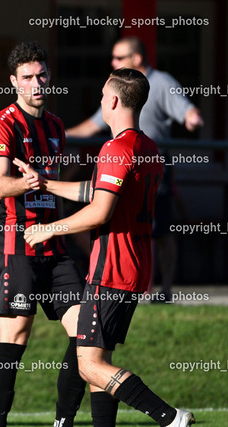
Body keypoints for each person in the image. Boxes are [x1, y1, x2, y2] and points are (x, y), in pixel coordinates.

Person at [21, 68, 194, 427]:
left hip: (113, 268)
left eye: (102, 96)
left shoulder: (115, 148)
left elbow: (100, 210)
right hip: (135, 266)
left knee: (88, 364)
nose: (100, 101)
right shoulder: (149, 148)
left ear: (113, 101)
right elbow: (99, 191)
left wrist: (49, 228)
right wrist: (47, 184)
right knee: (99, 362)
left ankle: (169, 417)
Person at [0, 41, 86, 427]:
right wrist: (30, 182)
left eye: (41, 75)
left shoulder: (56, 126)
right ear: (14, 82)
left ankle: (63, 421)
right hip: (13, 243)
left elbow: (53, 183)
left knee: (86, 332)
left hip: (52, 243)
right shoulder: (1, 124)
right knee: (16, 336)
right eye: (27, 77)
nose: (36, 83)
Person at [66, 36, 204, 302]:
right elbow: (92, 126)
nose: (113, 62)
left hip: (152, 167)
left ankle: (162, 290)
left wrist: (192, 117)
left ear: (137, 58)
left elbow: (186, 109)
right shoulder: (117, 90)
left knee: (160, 231)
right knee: (122, 224)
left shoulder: (161, 82)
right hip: (122, 167)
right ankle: (130, 285)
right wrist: (61, 135)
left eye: (119, 57)